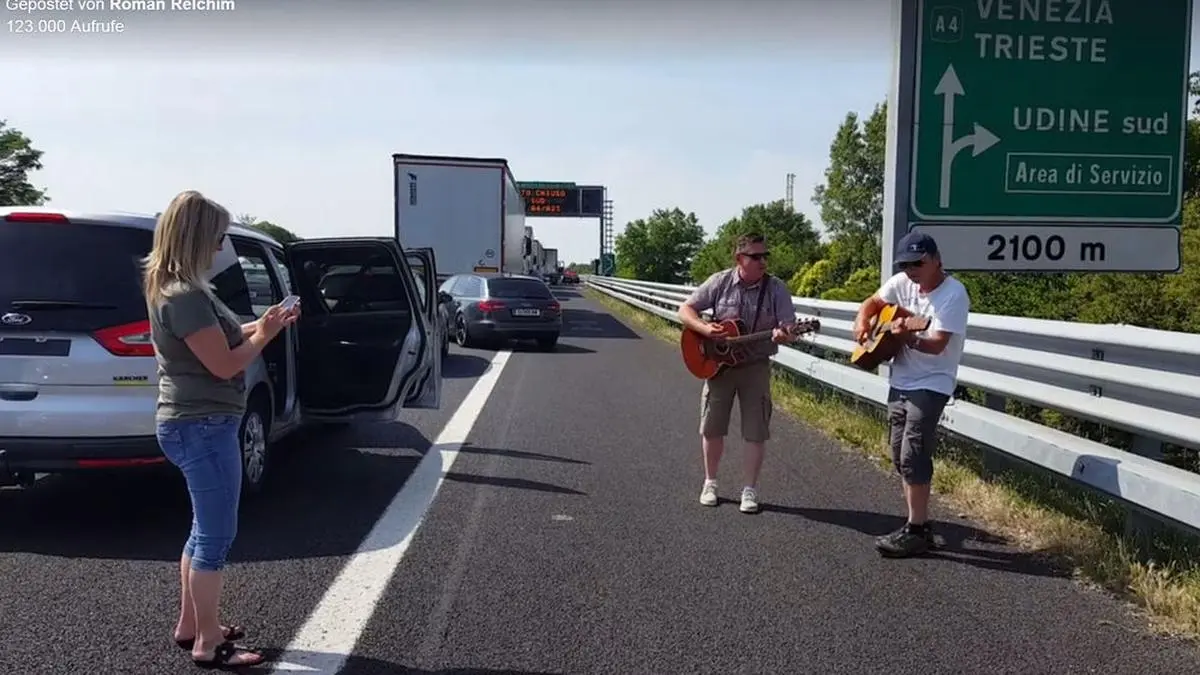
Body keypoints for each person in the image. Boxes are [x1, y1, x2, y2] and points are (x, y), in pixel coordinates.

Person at [142, 190, 299, 668]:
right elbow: (222, 363)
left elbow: (223, 340)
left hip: (194, 424)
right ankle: (209, 643)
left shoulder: (179, 289)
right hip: (203, 426)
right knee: (215, 536)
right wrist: (267, 336)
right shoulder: (186, 296)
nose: (219, 248)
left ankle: (193, 624)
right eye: (215, 238)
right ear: (194, 238)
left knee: (201, 532)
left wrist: (264, 323)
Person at [853, 231, 969, 558]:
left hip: (933, 381)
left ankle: (916, 529)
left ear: (936, 260)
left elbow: (937, 344)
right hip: (901, 378)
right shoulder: (902, 283)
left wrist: (908, 339)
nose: (911, 270)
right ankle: (917, 524)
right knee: (897, 453)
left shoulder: (954, 294)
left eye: (918, 263)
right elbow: (872, 303)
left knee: (913, 454)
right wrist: (863, 324)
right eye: (905, 264)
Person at [677, 233, 798, 513]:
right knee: (712, 426)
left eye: (765, 256)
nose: (762, 261)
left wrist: (786, 334)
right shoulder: (720, 281)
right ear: (739, 259)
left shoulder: (776, 288)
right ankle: (710, 482)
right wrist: (705, 329)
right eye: (755, 256)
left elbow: (788, 325)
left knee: (755, 430)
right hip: (719, 367)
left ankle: (749, 490)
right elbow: (685, 309)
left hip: (755, 366)